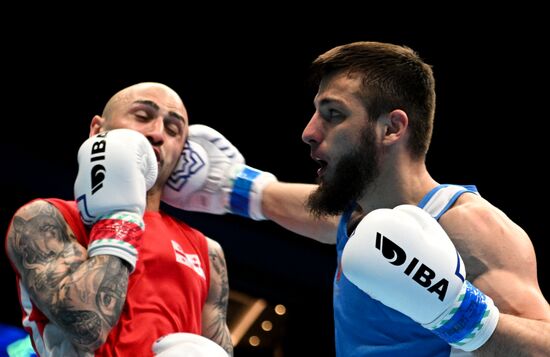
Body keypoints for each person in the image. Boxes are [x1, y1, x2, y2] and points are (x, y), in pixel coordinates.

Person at [161, 42, 550, 356]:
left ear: (392, 127)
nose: (309, 131)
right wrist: (233, 186)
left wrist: (458, 314)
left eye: (332, 114)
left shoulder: (468, 224)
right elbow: (300, 207)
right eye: (315, 112)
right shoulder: (355, 219)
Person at [4, 82, 232, 356]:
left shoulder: (208, 252)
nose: (157, 134)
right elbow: (87, 328)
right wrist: (119, 217)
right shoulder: (47, 219)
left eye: (173, 130)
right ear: (97, 130)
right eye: (143, 116)